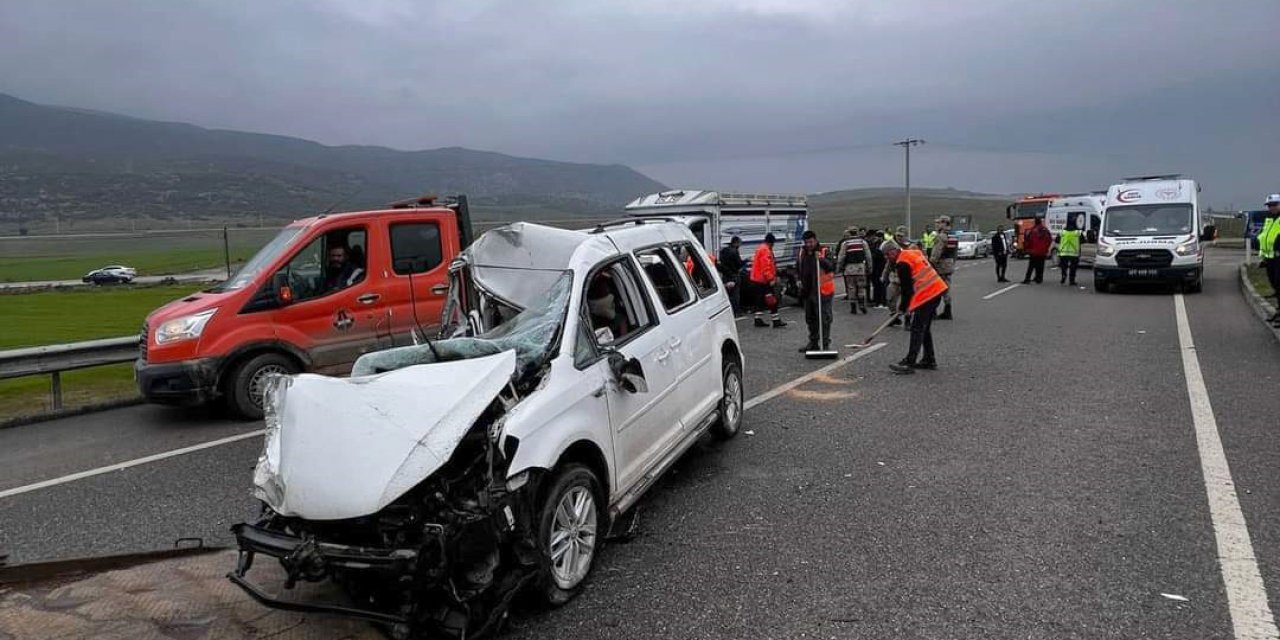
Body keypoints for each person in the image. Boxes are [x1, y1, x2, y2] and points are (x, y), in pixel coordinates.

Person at [881, 240, 948, 374]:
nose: (887, 258)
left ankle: (909, 363)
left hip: (928, 295)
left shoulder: (902, 263)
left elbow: (907, 290)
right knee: (925, 328)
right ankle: (929, 359)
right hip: (936, 290)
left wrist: (902, 308)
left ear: (893, 251)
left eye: (887, 255)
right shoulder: (911, 253)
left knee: (917, 328)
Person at [797, 230, 836, 352]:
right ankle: (813, 342)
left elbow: (832, 267)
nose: (808, 244)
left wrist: (821, 259)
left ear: (815, 240)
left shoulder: (824, 251)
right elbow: (798, 266)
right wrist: (798, 279)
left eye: (811, 242)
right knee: (810, 318)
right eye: (806, 242)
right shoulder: (802, 252)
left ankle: (825, 344)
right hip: (807, 291)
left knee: (824, 319)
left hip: (822, 291)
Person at [748, 233, 786, 328]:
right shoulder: (766, 251)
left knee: (760, 300)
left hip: (756, 279)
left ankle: (758, 319)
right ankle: (776, 320)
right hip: (763, 280)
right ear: (771, 242)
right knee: (772, 300)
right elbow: (766, 267)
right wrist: (771, 279)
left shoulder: (760, 248)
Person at [836, 227, 871, 313]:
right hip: (860, 268)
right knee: (861, 287)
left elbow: (841, 257)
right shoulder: (863, 242)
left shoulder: (846, 243)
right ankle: (862, 304)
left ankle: (853, 307)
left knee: (851, 287)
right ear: (857, 233)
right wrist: (869, 267)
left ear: (849, 233)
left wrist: (838, 268)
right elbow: (868, 256)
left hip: (849, 268)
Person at [928, 216, 956, 319]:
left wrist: (930, 264)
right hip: (949, 265)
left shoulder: (941, 237)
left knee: (935, 289)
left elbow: (936, 253)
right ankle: (947, 310)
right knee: (946, 289)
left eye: (939, 223)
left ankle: (933, 312)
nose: (937, 225)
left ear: (944, 224)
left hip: (940, 266)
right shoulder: (953, 236)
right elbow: (954, 252)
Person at [1259, 194, 1280, 324]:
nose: (1272, 208)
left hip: (1279, 257)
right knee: (1276, 286)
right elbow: (1265, 237)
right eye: (1270, 205)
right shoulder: (1269, 219)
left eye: (1275, 205)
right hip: (1270, 258)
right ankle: (1278, 312)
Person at [718, 236, 746, 315]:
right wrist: (746, 261)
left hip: (725, 275)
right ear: (736, 242)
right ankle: (736, 311)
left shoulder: (723, 250)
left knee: (726, 294)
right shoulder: (734, 251)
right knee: (735, 294)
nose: (740, 245)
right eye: (739, 243)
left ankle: (727, 311)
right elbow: (739, 264)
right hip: (734, 275)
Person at [1021, 218, 1053, 284]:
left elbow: (1028, 241)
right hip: (1043, 252)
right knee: (1041, 266)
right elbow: (1050, 239)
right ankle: (1039, 279)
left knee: (1031, 266)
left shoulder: (1032, 230)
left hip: (1033, 251)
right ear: (1041, 222)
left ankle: (1027, 279)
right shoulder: (1045, 230)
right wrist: (1046, 248)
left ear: (1035, 222)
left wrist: (1027, 249)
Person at [1057, 219, 1083, 286]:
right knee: (1073, 267)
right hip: (1074, 253)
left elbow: (1057, 240)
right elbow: (1083, 240)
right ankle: (1072, 280)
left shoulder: (1062, 232)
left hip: (1063, 252)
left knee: (1064, 267)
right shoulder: (1077, 232)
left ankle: (1063, 276)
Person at [867, 229, 887, 308]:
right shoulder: (875, 245)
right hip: (877, 267)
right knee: (877, 285)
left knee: (880, 285)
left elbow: (876, 256)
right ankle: (878, 301)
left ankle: (881, 301)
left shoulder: (881, 245)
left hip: (879, 267)